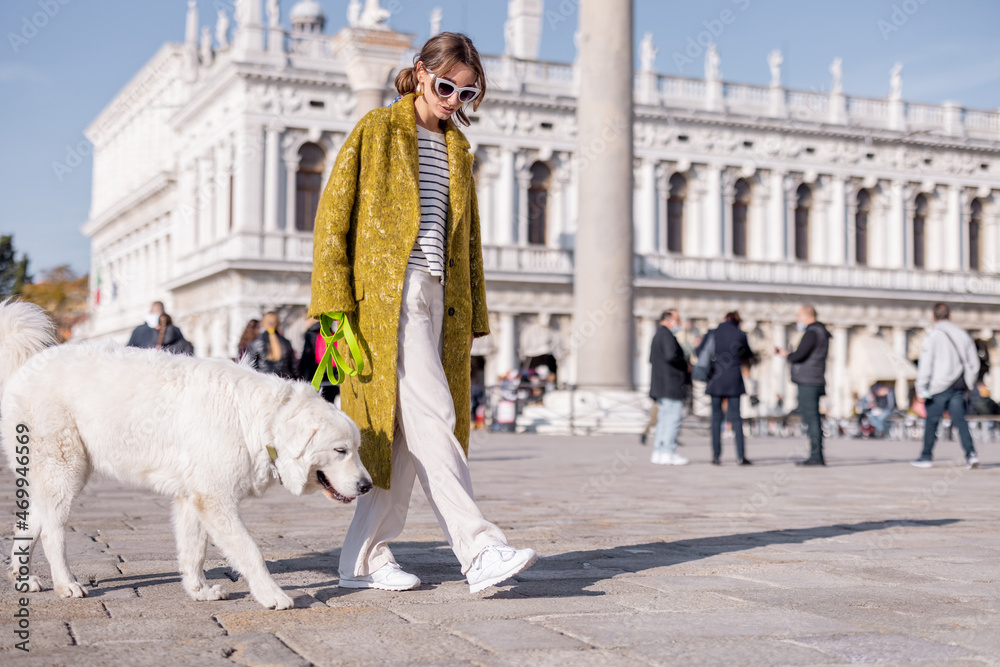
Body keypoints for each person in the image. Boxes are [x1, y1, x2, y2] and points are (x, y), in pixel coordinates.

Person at [308, 32, 536, 594]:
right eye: (445, 86)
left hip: (441, 298)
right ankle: (478, 547)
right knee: (435, 415)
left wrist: (474, 315)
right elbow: (333, 217)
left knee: (404, 436)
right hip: (389, 297)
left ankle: (362, 559)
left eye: (466, 92)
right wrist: (334, 308)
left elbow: (468, 240)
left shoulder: (458, 149)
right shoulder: (378, 130)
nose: (453, 99)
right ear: (420, 72)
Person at [912, 303, 980, 469]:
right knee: (960, 421)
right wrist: (969, 382)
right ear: (950, 315)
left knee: (932, 421)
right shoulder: (963, 335)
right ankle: (971, 454)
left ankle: (926, 456)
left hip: (938, 386)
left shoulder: (932, 336)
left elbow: (926, 365)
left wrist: (921, 387)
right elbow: (974, 363)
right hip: (958, 385)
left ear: (933, 317)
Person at [776, 305, 831, 466]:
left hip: (809, 380)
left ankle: (816, 455)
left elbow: (800, 354)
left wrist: (787, 355)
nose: (797, 320)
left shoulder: (812, 332)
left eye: (799, 316)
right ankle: (816, 454)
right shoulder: (821, 332)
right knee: (813, 417)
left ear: (808, 316)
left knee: (811, 418)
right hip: (815, 378)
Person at [705, 311, 754, 465]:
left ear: (725, 319)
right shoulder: (740, 334)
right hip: (734, 380)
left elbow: (700, 352)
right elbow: (748, 355)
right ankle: (740, 456)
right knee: (736, 419)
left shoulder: (712, 333)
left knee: (716, 419)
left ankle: (716, 456)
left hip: (716, 378)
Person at [648, 309, 690, 465]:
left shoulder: (657, 335)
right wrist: (684, 362)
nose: (679, 323)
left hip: (660, 385)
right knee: (672, 420)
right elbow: (671, 355)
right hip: (671, 385)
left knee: (663, 420)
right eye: (677, 319)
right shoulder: (667, 335)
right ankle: (668, 451)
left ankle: (658, 451)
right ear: (668, 319)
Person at [299, 317, 339, 404]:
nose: (305, 321)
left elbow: (306, 357)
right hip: (331, 378)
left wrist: (302, 376)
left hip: (316, 376)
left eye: (306, 318)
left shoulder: (310, 334)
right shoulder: (330, 331)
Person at [246, 311, 296, 379]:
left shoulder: (257, 343)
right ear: (278, 324)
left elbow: (250, 367)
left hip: (263, 382)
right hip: (284, 382)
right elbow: (294, 368)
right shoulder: (286, 343)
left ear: (263, 324)